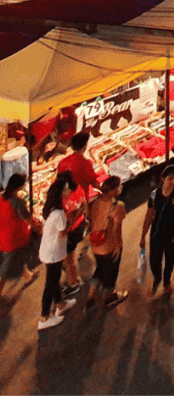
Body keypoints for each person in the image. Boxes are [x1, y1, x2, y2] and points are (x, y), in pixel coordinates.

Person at [56, 131, 101, 293]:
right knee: (69, 251)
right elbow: (94, 182)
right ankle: (73, 281)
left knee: (70, 247)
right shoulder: (84, 163)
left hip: (69, 211)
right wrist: (106, 190)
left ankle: (74, 263)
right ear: (84, 146)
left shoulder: (63, 162)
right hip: (77, 213)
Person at [140, 164, 174, 297]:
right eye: (170, 178)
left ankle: (166, 282)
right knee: (154, 260)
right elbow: (149, 215)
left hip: (173, 232)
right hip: (156, 233)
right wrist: (142, 236)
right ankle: (157, 279)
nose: (173, 181)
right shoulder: (154, 195)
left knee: (170, 258)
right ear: (162, 179)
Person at [38, 177, 77, 330]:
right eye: (66, 189)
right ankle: (44, 317)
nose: (68, 191)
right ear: (60, 192)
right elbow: (63, 233)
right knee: (51, 283)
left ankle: (60, 303)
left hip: (49, 251)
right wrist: (75, 217)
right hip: (53, 253)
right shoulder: (59, 213)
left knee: (53, 280)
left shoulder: (50, 209)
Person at [85, 176, 127, 310]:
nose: (121, 188)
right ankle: (110, 298)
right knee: (111, 273)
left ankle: (91, 295)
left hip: (96, 245)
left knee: (100, 269)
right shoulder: (118, 206)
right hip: (109, 247)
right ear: (113, 190)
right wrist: (118, 246)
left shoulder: (95, 202)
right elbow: (117, 228)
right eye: (119, 186)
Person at [0, 173, 38, 302]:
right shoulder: (17, 202)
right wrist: (38, 226)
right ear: (20, 186)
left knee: (21, 257)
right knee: (6, 270)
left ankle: (27, 274)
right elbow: (28, 219)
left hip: (5, 235)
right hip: (15, 239)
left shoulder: (1, 198)